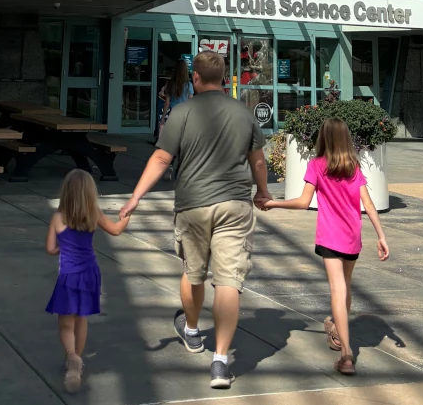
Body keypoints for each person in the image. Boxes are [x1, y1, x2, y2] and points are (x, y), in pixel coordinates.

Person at [120, 51, 269, 390]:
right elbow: (258, 162)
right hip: (234, 205)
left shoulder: (182, 112)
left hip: (192, 206)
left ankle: (191, 331)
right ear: (224, 76)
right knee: (229, 281)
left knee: (193, 272)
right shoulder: (244, 114)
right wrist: (262, 192)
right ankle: (220, 362)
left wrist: (136, 197)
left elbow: (161, 158)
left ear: (196, 79)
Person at [263, 117, 389, 376]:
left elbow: (302, 202)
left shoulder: (317, 165)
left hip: (330, 237)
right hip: (353, 237)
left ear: (324, 138)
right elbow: (369, 204)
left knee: (337, 289)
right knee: (345, 286)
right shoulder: (353, 167)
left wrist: (273, 203)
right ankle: (336, 331)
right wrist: (381, 235)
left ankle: (346, 354)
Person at [46, 168, 130, 392]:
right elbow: (116, 230)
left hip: (69, 276)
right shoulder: (94, 214)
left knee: (65, 323)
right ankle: (77, 363)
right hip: (90, 273)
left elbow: (51, 248)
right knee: (81, 320)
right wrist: (126, 215)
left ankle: (72, 358)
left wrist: (62, 247)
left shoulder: (58, 217)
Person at [157, 58, 193, 143]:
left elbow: (167, 102)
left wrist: (163, 117)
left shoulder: (170, 83)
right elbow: (191, 102)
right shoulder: (188, 85)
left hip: (173, 112)